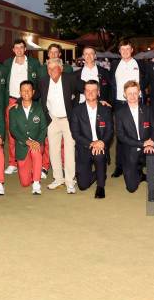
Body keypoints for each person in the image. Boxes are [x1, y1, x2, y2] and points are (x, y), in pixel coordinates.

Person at [38, 58, 79, 193]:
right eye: (49, 69)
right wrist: (20, 101)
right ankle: (58, 179)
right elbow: (34, 94)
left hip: (68, 120)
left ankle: (70, 181)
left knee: (69, 150)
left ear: (61, 69)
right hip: (52, 119)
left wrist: (101, 100)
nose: (51, 71)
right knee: (53, 151)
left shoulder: (70, 79)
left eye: (54, 68)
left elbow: (85, 88)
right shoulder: (44, 81)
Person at [3, 39, 42, 175]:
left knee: (32, 130)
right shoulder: (7, 63)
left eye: (21, 47)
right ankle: (13, 163)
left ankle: (33, 161)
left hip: (28, 99)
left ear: (25, 49)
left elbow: (38, 82)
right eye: (16, 48)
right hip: (12, 100)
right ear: (13, 50)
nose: (19, 50)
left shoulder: (34, 63)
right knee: (12, 132)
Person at [115, 80, 154, 200]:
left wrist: (151, 142)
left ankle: (152, 190)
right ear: (124, 94)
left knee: (153, 157)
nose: (133, 96)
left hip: (147, 147)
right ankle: (138, 173)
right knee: (131, 188)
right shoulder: (120, 113)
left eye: (135, 93)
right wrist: (142, 143)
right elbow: (121, 136)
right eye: (130, 93)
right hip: (130, 149)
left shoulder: (148, 110)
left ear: (139, 93)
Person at [69, 80, 113, 198]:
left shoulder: (105, 109)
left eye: (93, 90)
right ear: (84, 92)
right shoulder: (76, 110)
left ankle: (100, 186)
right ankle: (101, 174)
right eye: (88, 90)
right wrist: (92, 143)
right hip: (84, 146)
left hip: (100, 146)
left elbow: (110, 131)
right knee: (83, 186)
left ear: (98, 92)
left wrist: (102, 142)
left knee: (99, 155)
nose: (90, 93)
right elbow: (75, 134)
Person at [109, 39, 146, 178]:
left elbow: (146, 79)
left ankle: (139, 168)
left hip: (137, 102)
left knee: (138, 135)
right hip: (120, 103)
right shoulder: (114, 65)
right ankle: (119, 166)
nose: (125, 51)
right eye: (122, 49)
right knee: (121, 136)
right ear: (119, 51)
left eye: (127, 49)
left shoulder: (140, 64)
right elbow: (110, 84)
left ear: (132, 50)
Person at [8, 81, 47, 195]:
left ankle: (36, 182)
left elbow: (43, 128)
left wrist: (38, 142)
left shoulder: (39, 108)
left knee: (36, 152)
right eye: (23, 90)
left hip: (36, 143)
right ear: (20, 92)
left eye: (29, 90)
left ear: (33, 92)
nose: (26, 92)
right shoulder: (14, 110)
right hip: (22, 145)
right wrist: (26, 141)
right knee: (25, 183)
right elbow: (13, 130)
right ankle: (32, 170)